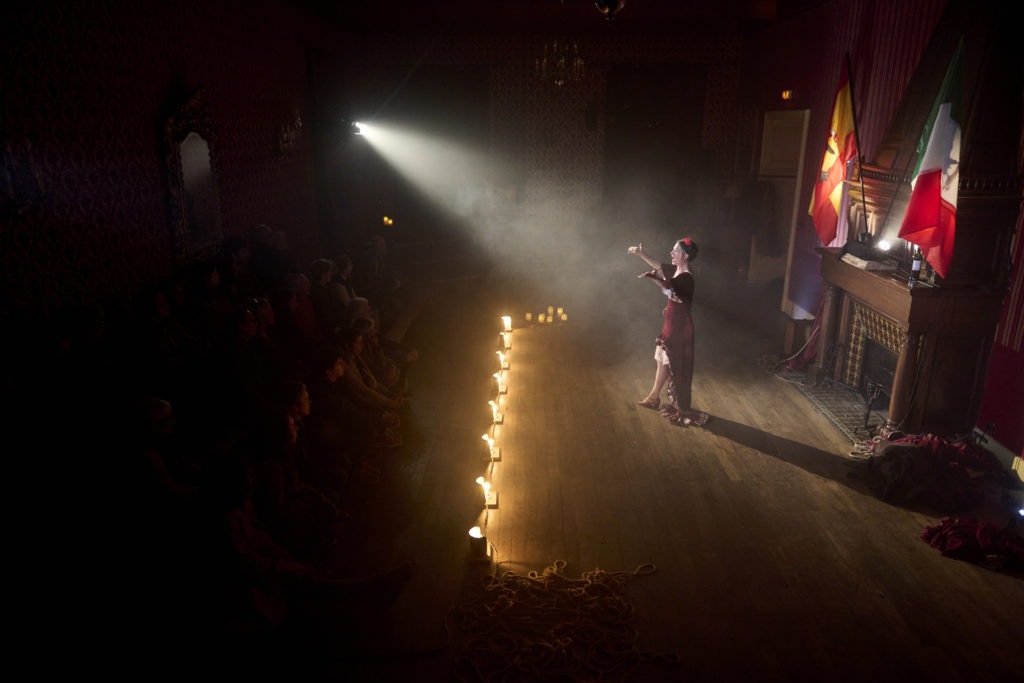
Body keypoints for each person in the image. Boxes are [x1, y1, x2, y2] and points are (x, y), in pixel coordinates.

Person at [628, 238, 710, 427]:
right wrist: (642, 254)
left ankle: (673, 403)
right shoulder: (677, 270)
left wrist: (653, 278)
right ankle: (654, 396)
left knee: (672, 362)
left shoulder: (687, 277)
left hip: (680, 326)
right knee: (661, 359)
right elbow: (660, 266)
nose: (671, 253)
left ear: (685, 256)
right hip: (672, 322)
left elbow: (670, 289)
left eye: (675, 251)